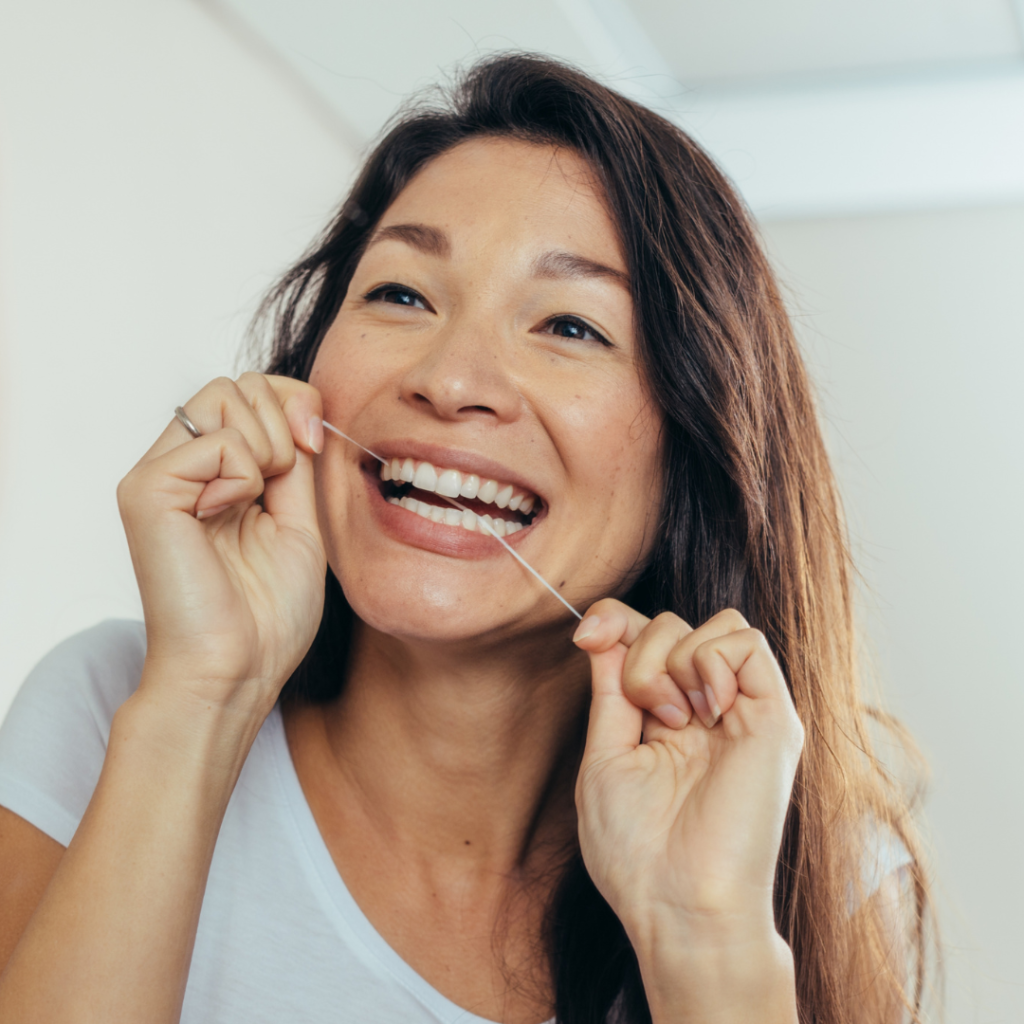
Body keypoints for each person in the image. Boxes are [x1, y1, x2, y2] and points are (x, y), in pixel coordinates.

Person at [0, 54, 932, 1024]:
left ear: (693, 441)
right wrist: (204, 699)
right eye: (403, 294)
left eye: (568, 325)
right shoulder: (114, 706)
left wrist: (705, 934)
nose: (449, 379)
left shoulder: (816, 868)